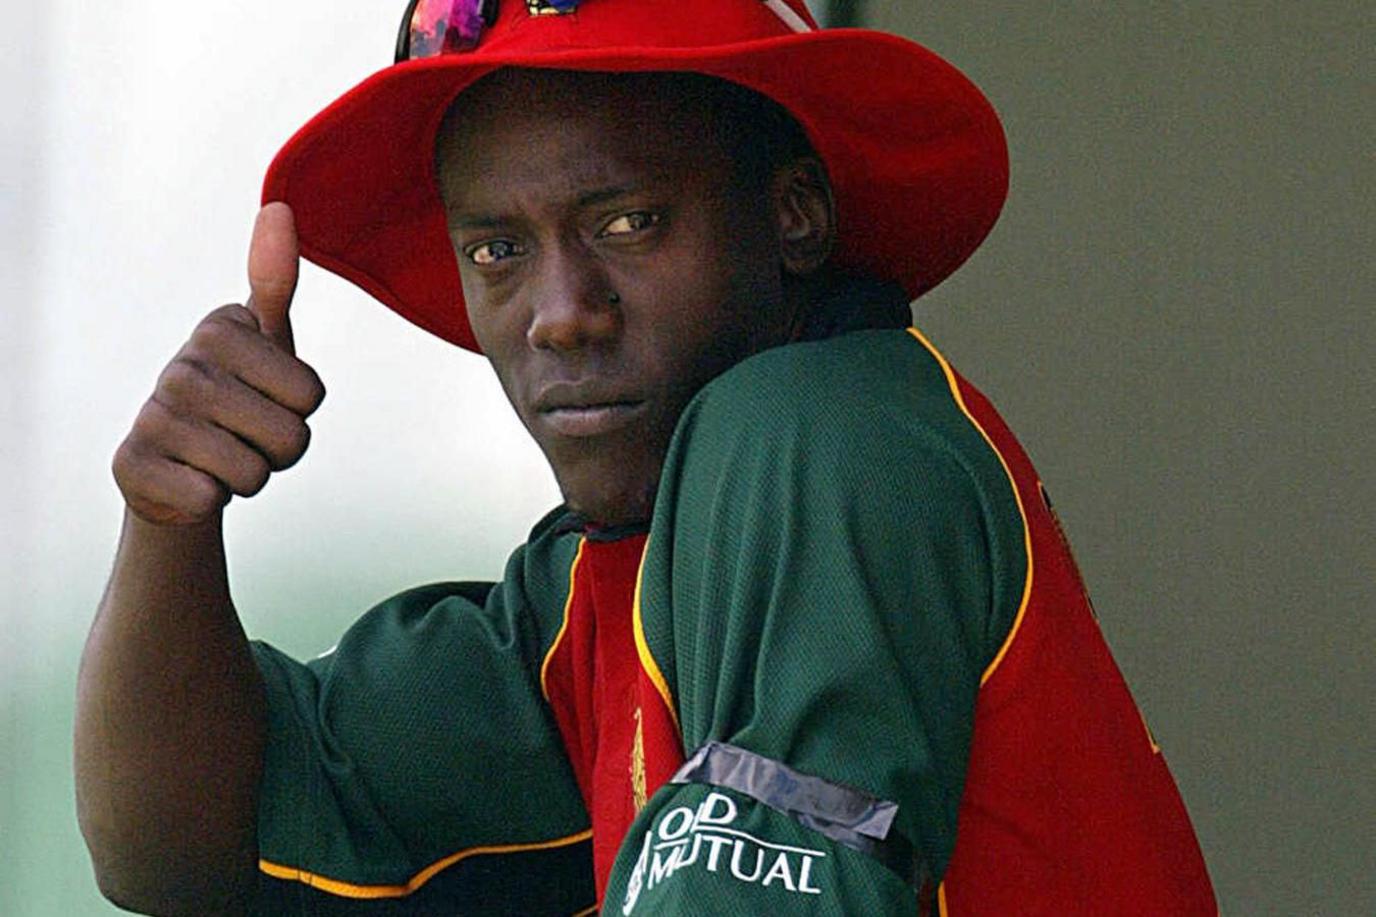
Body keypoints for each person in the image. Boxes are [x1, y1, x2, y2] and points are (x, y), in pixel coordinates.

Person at [75, 1, 1217, 914]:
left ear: (795, 217)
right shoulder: (594, 588)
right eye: (498, 247)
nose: (559, 314)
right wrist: (169, 523)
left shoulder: (819, 428)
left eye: (627, 222)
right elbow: (182, 852)